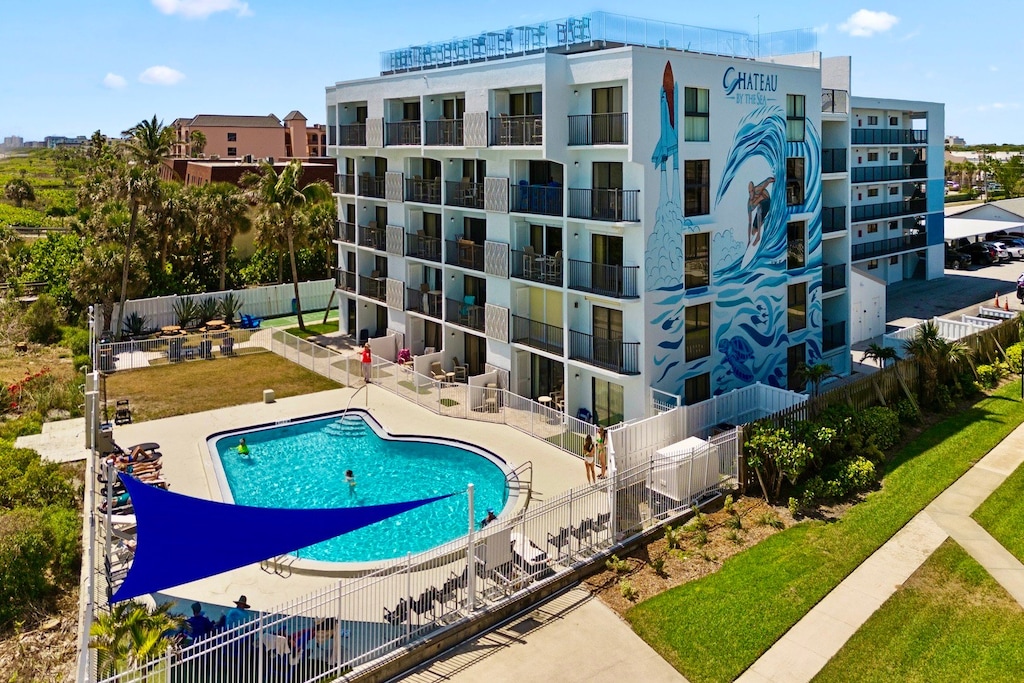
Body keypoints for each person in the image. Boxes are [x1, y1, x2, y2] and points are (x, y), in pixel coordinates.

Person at [746, 176, 775, 247]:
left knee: (759, 207)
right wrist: (749, 239)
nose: (751, 193)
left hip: (767, 202)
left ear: (754, 189)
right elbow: (749, 223)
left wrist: (775, 179)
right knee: (753, 231)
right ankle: (763, 223)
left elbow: (767, 181)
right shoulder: (749, 204)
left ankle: (758, 236)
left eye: (752, 191)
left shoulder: (757, 190)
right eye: (749, 192)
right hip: (761, 208)